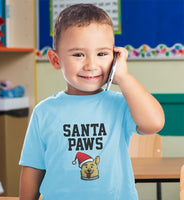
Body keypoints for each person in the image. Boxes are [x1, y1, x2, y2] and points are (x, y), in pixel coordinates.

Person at [19, 4, 164, 200]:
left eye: (102, 54)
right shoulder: (44, 111)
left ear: (115, 57)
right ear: (55, 60)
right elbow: (33, 168)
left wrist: (124, 78)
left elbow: (154, 123)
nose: (91, 65)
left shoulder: (121, 104)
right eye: (78, 54)